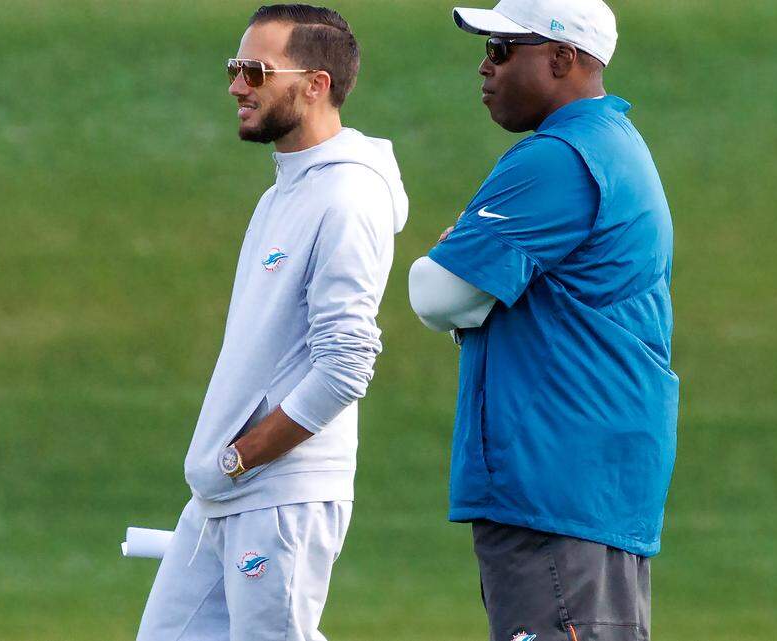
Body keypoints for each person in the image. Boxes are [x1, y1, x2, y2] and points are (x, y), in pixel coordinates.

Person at [408, 1, 678, 639]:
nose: (484, 67)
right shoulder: (615, 146)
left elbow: (439, 293)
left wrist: (458, 273)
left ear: (564, 58)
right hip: (587, 481)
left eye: (502, 49)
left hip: (553, 481)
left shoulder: (560, 157)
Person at [136, 4, 407, 641]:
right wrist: (223, 471)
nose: (235, 85)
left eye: (255, 71)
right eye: (235, 68)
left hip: (280, 496)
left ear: (316, 85)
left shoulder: (347, 197)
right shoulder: (286, 188)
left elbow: (345, 364)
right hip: (224, 496)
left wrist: (238, 459)